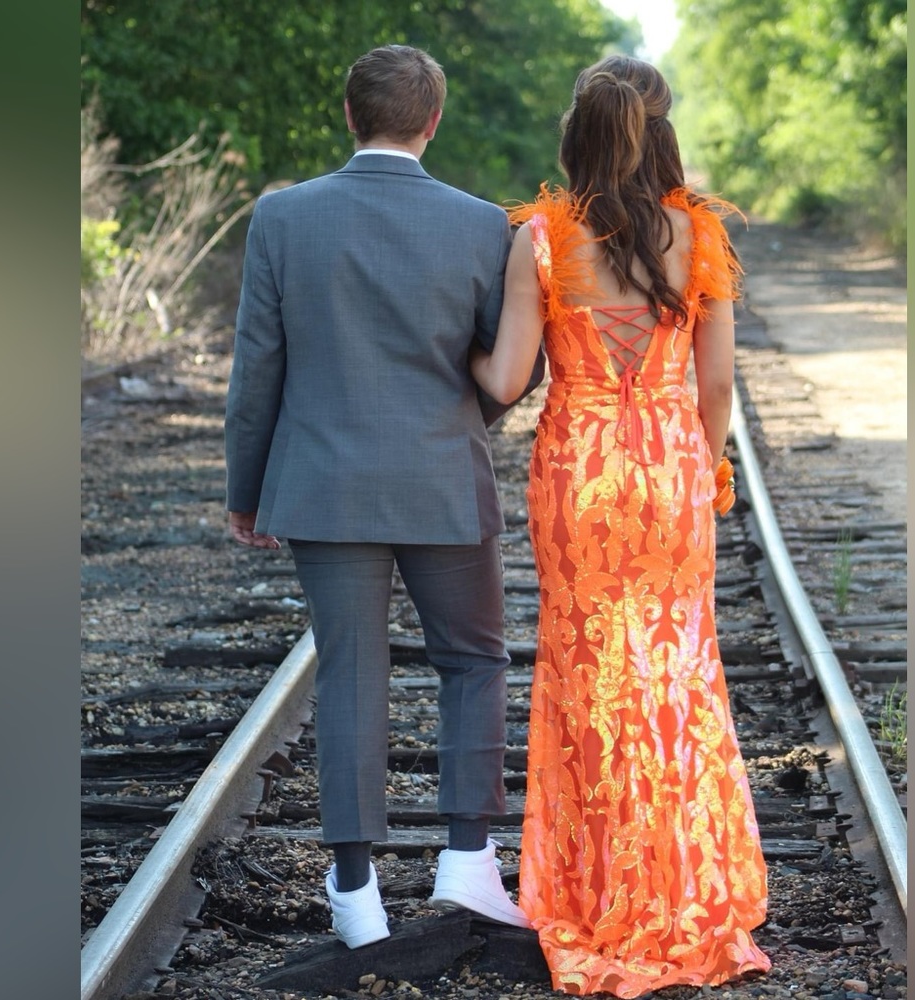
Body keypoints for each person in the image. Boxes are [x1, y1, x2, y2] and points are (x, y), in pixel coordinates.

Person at [224, 44, 543, 950]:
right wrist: (456, 421)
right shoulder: (484, 226)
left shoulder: (283, 217)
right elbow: (514, 366)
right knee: (473, 661)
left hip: (324, 486)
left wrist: (248, 489)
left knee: (350, 672)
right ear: (433, 120)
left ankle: (356, 892)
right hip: (443, 480)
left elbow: (258, 369)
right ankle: (468, 860)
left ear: (349, 114)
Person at [470, 55, 771, 996]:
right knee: (675, 671)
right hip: (670, 468)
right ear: (659, 132)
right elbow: (715, 388)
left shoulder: (544, 238)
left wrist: (442, 352)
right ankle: (679, 885)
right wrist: (706, 469)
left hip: (579, 473)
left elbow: (505, 380)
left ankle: (602, 888)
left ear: (577, 136)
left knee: (590, 674)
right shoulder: (700, 233)